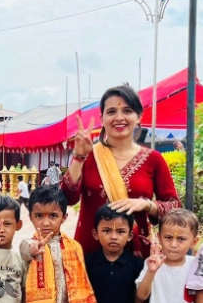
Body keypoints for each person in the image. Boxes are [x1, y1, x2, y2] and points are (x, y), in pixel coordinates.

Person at [61, 84, 180, 259]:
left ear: (139, 116)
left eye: (127, 111)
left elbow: (175, 208)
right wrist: (79, 157)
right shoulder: (89, 155)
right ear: (102, 118)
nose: (119, 117)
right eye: (111, 112)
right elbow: (67, 198)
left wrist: (147, 205)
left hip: (135, 256)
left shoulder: (153, 159)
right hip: (90, 254)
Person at [136, 209, 198, 303]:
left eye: (181, 239)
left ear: (194, 241)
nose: (173, 245)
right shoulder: (152, 263)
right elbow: (142, 295)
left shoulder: (194, 266)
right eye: (168, 238)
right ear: (159, 237)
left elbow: (199, 302)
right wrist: (151, 272)